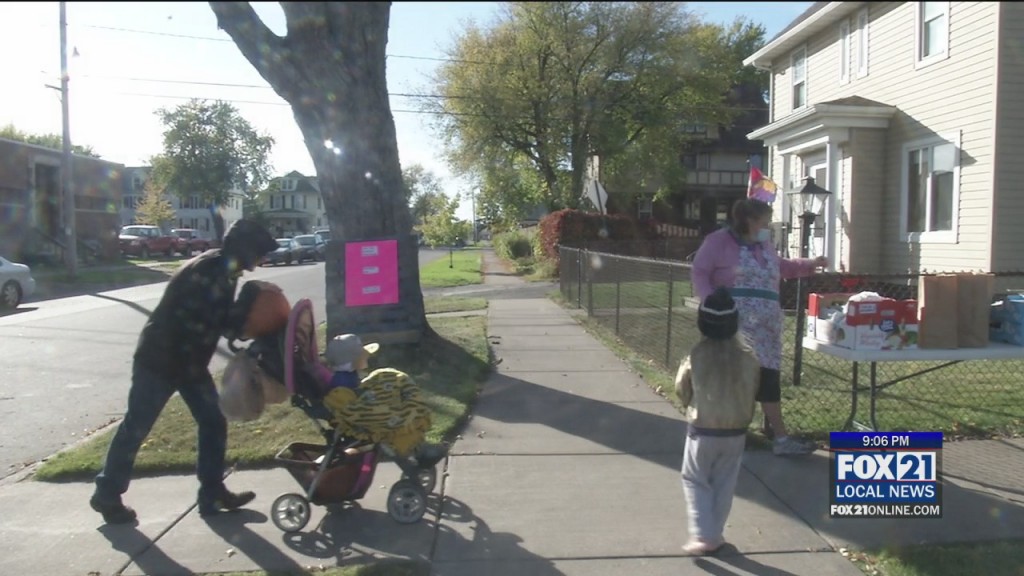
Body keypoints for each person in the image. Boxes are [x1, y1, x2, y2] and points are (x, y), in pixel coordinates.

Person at [90, 219, 279, 524]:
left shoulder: (225, 270)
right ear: (246, 249)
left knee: (213, 420)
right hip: (160, 361)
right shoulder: (211, 272)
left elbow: (215, 322)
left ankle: (212, 492)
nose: (263, 259)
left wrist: (243, 322)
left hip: (187, 363)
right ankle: (107, 493)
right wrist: (243, 319)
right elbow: (206, 320)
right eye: (260, 252)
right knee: (137, 425)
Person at [691, 198, 827, 456]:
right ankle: (726, 433)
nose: (768, 226)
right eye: (764, 221)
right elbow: (699, 272)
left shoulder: (763, 244)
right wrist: (711, 304)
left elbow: (781, 266)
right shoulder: (718, 242)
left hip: (767, 329)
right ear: (749, 221)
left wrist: (810, 264)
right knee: (733, 379)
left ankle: (781, 439)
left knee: (768, 380)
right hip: (733, 326)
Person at [676, 287, 761, 555]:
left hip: (702, 428)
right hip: (736, 431)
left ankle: (704, 535)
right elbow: (753, 389)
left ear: (702, 323)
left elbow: (681, 387)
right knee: (725, 481)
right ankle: (716, 532)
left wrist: (687, 401)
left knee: (694, 478)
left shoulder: (696, 355)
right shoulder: (748, 358)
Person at [320, 334, 446, 466]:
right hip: (367, 419)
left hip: (366, 400)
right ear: (352, 361)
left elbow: (362, 390)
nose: (367, 356)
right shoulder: (342, 385)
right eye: (363, 354)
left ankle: (417, 443)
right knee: (400, 419)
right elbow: (357, 408)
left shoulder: (347, 376)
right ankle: (415, 449)